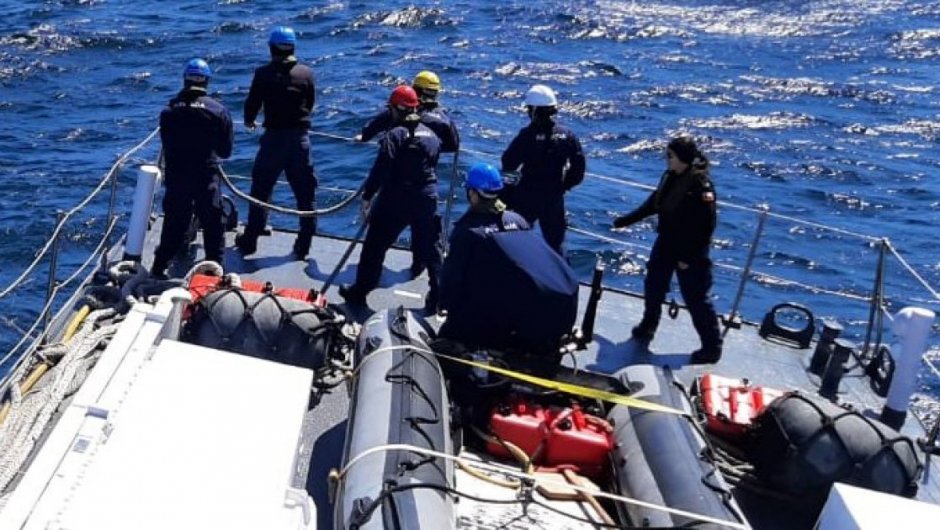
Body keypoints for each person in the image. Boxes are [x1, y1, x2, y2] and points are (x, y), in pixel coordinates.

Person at [438, 163, 579, 355]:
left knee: (448, 337)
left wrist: (445, 306)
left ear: (473, 194)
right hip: (545, 308)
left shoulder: (467, 232)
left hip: (505, 317)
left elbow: (451, 280)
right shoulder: (517, 220)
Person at [612, 136, 722, 364]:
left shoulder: (701, 187)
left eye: (670, 156)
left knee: (696, 298)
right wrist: (625, 221)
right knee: (654, 286)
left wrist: (688, 257)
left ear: (682, 158)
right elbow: (654, 204)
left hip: (690, 250)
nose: (667, 159)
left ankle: (712, 347)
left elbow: (707, 227)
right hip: (667, 243)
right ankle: (648, 325)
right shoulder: (670, 177)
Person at [339, 86, 443, 313]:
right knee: (432, 247)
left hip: (396, 198)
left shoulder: (395, 135)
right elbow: (433, 161)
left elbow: (381, 168)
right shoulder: (432, 135)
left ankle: (360, 292)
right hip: (427, 196)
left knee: (375, 246)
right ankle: (438, 297)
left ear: (396, 109)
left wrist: (367, 197)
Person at [359, 70, 460, 278]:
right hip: (426, 186)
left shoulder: (399, 114)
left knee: (377, 239)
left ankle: (365, 284)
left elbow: (372, 130)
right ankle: (420, 269)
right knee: (426, 237)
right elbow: (453, 144)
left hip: (395, 188)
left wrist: (367, 196)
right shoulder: (441, 119)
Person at [236, 26, 317, 260]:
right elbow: (310, 102)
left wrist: (249, 121)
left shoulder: (263, 74)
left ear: (272, 48)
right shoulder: (306, 73)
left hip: (273, 140)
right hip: (300, 141)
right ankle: (304, 245)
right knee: (305, 194)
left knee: (261, 190)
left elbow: (252, 103)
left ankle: (250, 240)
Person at [152, 58, 233, 279]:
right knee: (213, 223)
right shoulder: (218, 111)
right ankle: (214, 273)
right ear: (206, 81)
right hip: (205, 176)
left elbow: (167, 144)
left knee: (174, 223)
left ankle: (158, 268)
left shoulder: (169, 111)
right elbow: (225, 151)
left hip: (177, 176)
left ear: (185, 80)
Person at [501, 84, 585, 256]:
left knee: (516, 239)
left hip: (527, 195)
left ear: (533, 110)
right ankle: (560, 272)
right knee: (556, 245)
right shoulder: (567, 135)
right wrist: (563, 186)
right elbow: (578, 169)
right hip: (553, 196)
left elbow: (508, 163)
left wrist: (508, 193)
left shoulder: (526, 136)